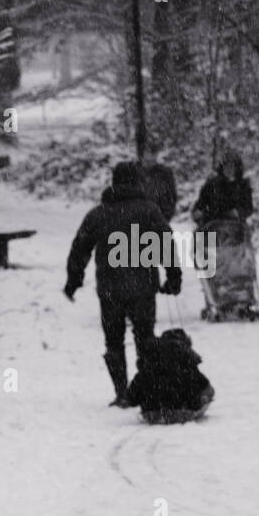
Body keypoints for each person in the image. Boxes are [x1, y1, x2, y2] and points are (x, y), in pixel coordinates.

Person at [64, 161, 181, 406]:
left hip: (110, 289)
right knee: (145, 338)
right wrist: (173, 275)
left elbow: (80, 247)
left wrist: (74, 280)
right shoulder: (149, 210)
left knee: (113, 341)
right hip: (143, 286)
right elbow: (166, 243)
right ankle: (147, 390)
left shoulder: (99, 213)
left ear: (114, 182)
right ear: (138, 182)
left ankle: (122, 392)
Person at [125, 328, 214, 424]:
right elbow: (209, 390)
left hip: (152, 414)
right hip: (184, 412)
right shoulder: (188, 366)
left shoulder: (148, 366)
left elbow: (131, 399)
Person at [192, 146, 253, 233]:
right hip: (211, 225)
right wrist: (197, 212)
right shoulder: (211, 184)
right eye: (226, 166)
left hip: (235, 227)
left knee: (240, 238)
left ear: (237, 168)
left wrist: (238, 212)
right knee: (201, 239)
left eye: (232, 166)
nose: (229, 169)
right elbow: (200, 204)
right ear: (222, 167)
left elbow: (248, 207)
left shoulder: (243, 186)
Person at [139, 140, 177, 222]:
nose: (149, 163)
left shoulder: (165, 174)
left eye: (152, 161)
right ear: (142, 157)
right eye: (147, 161)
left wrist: (164, 217)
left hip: (158, 219)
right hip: (137, 218)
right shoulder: (133, 172)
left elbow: (171, 198)